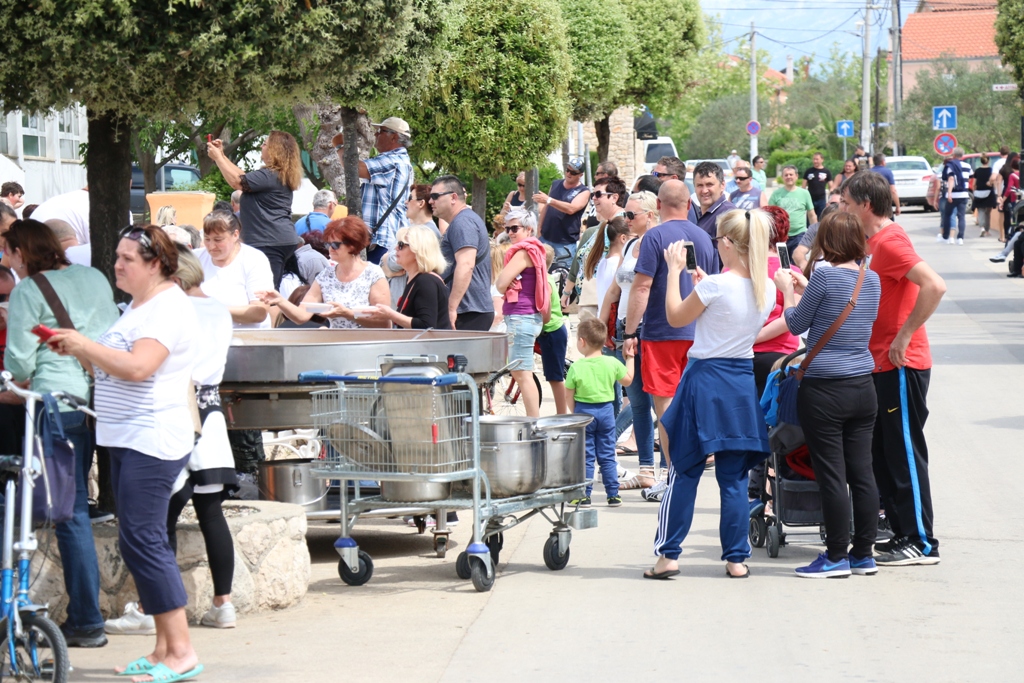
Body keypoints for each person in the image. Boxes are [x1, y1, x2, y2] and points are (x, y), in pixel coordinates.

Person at [49, 225, 203, 680]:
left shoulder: (167, 307)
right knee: (139, 541)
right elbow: (114, 365)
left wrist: (83, 345)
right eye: (116, 256)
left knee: (144, 541)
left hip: (152, 438)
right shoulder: (141, 305)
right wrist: (80, 351)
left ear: (156, 263)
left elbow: (138, 367)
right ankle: (162, 648)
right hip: (127, 437)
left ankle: (182, 652)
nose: (117, 264)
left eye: (128, 258)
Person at [105, 247, 239, 637]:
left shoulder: (170, 310)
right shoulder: (217, 309)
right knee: (211, 513)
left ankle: (151, 609)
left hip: (176, 410)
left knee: (158, 517)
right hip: (211, 408)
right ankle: (223, 604)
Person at [3, 220, 119, 647]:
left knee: (67, 514)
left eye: (6, 252)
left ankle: (87, 621)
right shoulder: (91, 276)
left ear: (20, 252)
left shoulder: (27, 291)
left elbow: (17, 365)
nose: (4, 260)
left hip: (52, 404)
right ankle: (85, 618)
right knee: (75, 511)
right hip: (94, 402)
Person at [645, 209, 775, 580]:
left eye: (718, 239)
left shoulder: (714, 285)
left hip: (704, 378)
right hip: (739, 382)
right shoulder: (761, 290)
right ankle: (736, 559)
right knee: (733, 479)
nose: (715, 244)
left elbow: (674, 317)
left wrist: (673, 273)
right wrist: (703, 282)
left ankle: (668, 555)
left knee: (684, 469)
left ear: (730, 244)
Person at [839, 171, 946, 566]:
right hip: (879, 362)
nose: (843, 211)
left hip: (900, 363)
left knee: (903, 453)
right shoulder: (872, 244)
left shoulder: (891, 240)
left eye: (848, 204)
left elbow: (934, 285)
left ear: (866, 205)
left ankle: (921, 541)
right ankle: (903, 534)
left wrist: (905, 336)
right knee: (882, 454)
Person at [775, 211, 882, 578]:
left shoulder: (823, 276)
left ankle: (836, 555)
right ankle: (863, 553)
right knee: (862, 472)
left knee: (832, 474)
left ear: (826, 242)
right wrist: (808, 290)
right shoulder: (872, 279)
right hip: (862, 385)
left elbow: (796, 323)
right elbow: (846, 313)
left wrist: (789, 291)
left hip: (824, 388)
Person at [624, 180, 718, 501]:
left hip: (662, 333)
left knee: (664, 405)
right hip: (698, 333)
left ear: (659, 205)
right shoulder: (704, 238)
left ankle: (672, 474)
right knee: (692, 404)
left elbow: (641, 288)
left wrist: (629, 332)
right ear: (689, 203)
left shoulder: (654, 236)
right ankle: (689, 465)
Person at [600, 192, 659, 487]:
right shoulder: (633, 243)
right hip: (624, 329)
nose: (626, 220)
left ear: (650, 215)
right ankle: (646, 469)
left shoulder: (657, 241)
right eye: (626, 215)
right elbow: (615, 289)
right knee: (633, 399)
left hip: (649, 330)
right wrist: (600, 326)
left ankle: (654, 469)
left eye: (632, 215)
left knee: (648, 400)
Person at [208, 130, 304, 288]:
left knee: (266, 293)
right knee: (266, 290)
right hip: (276, 239)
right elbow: (242, 176)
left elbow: (237, 183)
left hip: (269, 241)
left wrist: (217, 158)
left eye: (265, 144)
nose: (261, 146)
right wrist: (222, 156)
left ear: (274, 150)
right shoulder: (273, 175)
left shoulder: (270, 175)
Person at [259, 217, 391, 329]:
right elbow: (301, 316)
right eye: (328, 244)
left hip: (367, 347)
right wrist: (280, 300)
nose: (330, 249)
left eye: (335, 245)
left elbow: (384, 323)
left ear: (353, 245)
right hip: (335, 347)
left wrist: (348, 314)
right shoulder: (326, 275)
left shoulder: (373, 274)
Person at [565, 318, 634, 508]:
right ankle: (613, 494)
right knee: (607, 454)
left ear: (582, 341)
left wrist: (575, 413)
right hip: (606, 412)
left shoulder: (576, 367)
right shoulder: (611, 363)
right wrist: (630, 359)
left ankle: (584, 496)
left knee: (586, 456)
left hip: (584, 412)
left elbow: (568, 395)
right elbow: (628, 380)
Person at [332, 117, 414, 264]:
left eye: (380, 131)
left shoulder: (393, 161)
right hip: (383, 240)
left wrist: (339, 145)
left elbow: (355, 168)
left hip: (382, 242)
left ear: (394, 137)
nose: (375, 135)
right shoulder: (399, 160)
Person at [494, 209, 551, 417]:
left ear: (529, 229)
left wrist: (504, 281)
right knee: (523, 373)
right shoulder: (535, 250)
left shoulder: (523, 252)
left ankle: (534, 423)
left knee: (522, 373)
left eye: (514, 228)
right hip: (529, 316)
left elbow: (500, 285)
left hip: (520, 316)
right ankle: (534, 421)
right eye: (507, 228)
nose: (510, 232)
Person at [431, 176, 494, 331]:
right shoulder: (463, 221)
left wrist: (451, 308)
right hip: (469, 309)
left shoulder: (463, 222)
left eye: (435, 197)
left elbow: (466, 265)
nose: (430, 201)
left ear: (453, 197)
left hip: (468, 311)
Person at [195, 211, 273, 329]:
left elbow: (259, 311)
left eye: (218, 240)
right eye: (207, 239)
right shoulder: (194, 258)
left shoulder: (254, 259)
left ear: (235, 235)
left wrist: (211, 310)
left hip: (247, 341)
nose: (211, 246)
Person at [363, 225, 451, 330]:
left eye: (401, 245)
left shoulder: (426, 281)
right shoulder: (417, 279)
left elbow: (426, 325)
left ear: (417, 250)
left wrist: (390, 314)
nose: (395, 248)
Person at [563, 176, 627, 317]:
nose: (594, 198)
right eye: (593, 194)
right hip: (594, 297)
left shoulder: (622, 225)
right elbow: (578, 263)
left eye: (598, 194)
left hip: (604, 300)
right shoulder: (601, 227)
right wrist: (567, 292)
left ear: (614, 198)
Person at [382, 184, 442, 307]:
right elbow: (389, 262)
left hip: (408, 305)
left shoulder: (428, 232)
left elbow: (393, 262)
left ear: (421, 203)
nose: (406, 202)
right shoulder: (412, 229)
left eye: (410, 198)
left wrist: (386, 263)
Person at [535, 157, 591, 270]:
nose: (569, 174)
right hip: (545, 237)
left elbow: (571, 209)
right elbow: (547, 207)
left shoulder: (583, 191)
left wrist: (550, 200)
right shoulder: (556, 184)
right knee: (541, 272)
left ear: (580, 175)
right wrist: (539, 229)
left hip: (564, 243)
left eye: (573, 172)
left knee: (562, 276)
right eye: (568, 170)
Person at [536, 244, 569, 414]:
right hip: (552, 330)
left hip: (552, 330)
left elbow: (545, 308)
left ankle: (562, 413)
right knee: (553, 375)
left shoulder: (543, 280)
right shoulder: (547, 277)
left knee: (555, 376)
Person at [768, 165, 816, 255]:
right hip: (781, 236)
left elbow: (811, 214)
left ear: (796, 176)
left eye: (791, 174)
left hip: (800, 234)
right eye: (786, 175)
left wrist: (815, 234)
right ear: (782, 177)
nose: (789, 177)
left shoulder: (804, 193)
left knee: (797, 260)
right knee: (784, 263)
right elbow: (769, 215)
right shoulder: (776, 194)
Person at [689, 162, 737, 241]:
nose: (704, 191)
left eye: (709, 184)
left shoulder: (728, 215)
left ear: (722, 185)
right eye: (700, 185)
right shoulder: (698, 213)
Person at [939, 147, 972, 245]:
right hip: (964, 194)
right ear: (962, 155)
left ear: (953, 155)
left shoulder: (951, 165)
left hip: (953, 194)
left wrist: (949, 193)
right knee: (961, 216)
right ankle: (960, 238)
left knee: (947, 215)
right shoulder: (968, 166)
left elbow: (951, 179)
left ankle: (946, 237)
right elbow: (970, 177)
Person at [972, 153, 997, 238]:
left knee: (981, 211)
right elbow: (994, 181)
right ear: (988, 161)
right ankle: (987, 230)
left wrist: (974, 192)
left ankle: (982, 228)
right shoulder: (991, 170)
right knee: (988, 212)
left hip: (979, 193)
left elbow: (974, 184)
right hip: (989, 193)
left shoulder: (977, 171)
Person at [802, 153, 833, 217]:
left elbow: (831, 186)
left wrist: (831, 198)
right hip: (810, 199)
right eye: (814, 159)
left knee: (821, 217)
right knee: (810, 218)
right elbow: (803, 186)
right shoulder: (809, 171)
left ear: (822, 160)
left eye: (817, 159)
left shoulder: (826, 171)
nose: (815, 161)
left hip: (821, 199)